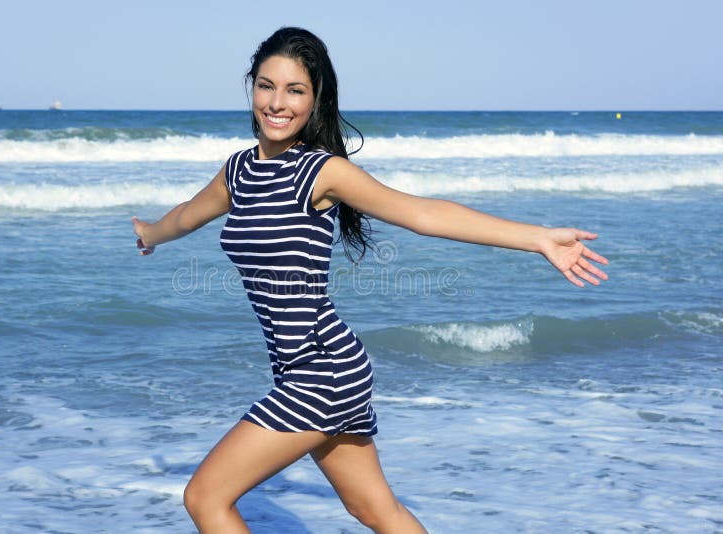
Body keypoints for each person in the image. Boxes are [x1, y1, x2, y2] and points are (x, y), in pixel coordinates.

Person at [131, 27, 608, 534]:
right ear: (251, 87)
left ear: (315, 99)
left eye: (295, 90)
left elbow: (421, 213)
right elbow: (188, 215)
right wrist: (152, 233)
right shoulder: (240, 172)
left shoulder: (319, 172)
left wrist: (535, 238)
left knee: (205, 497)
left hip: (323, 370)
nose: (277, 103)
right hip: (309, 371)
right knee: (376, 512)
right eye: (267, 85)